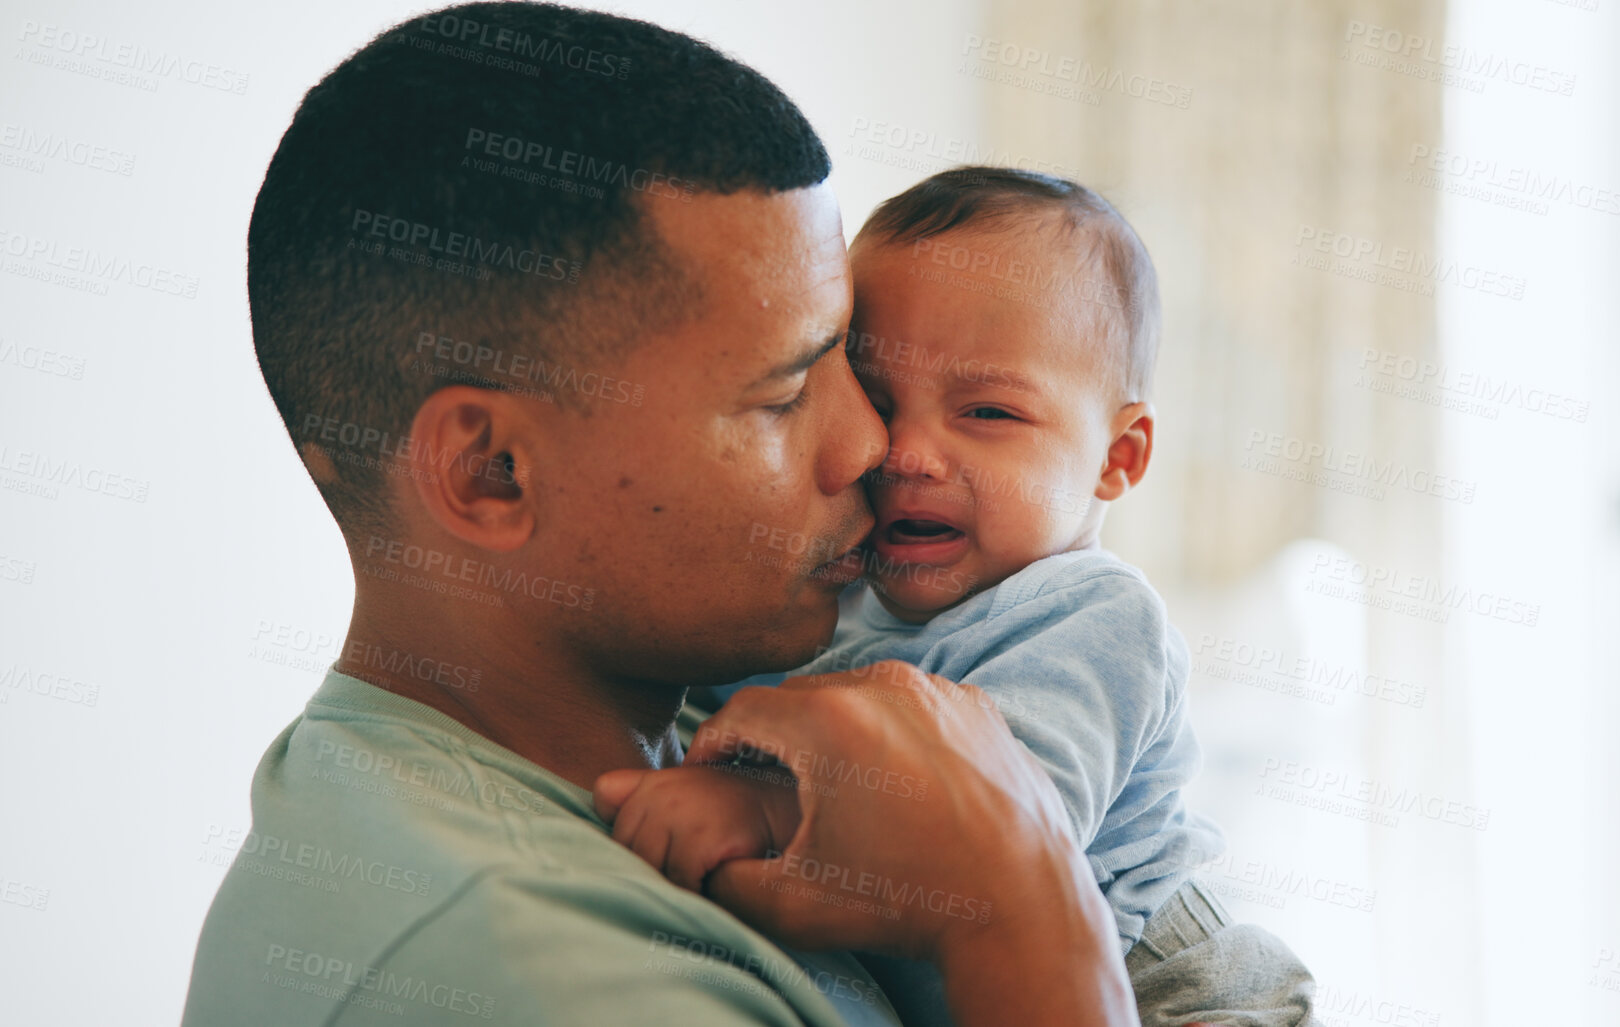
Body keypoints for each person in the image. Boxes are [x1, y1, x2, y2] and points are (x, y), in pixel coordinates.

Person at [181, 3, 1137, 1023]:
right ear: (493, 472)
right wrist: (1023, 906)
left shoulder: (672, 721)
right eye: (786, 392)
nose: (874, 448)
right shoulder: (545, 971)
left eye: (846, 357)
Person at [595, 167, 1316, 1026]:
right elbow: (737, 694)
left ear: (1116, 457)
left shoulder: (1091, 615)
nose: (906, 452)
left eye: (986, 413)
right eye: (879, 398)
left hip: (1170, 986)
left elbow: (992, 811)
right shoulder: (849, 584)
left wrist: (762, 803)